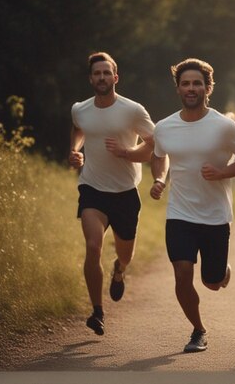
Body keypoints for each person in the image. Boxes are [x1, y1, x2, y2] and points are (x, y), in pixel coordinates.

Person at [150, 58, 235, 353]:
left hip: (215, 216)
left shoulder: (223, 125)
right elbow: (159, 155)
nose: (191, 88)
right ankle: (198, 330)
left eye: (197, 83)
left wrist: (223, 173)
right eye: (186, 83)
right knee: (182, 274)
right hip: (180, 214)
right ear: (178, 88)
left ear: (208, 87)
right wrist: (160, 179)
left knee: (211, 281)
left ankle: (221, 272)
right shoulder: (164, 127)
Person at [69, 52, 155, 336]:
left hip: (125, 193)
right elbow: (79, 129)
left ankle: (119, 270)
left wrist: (126, 153)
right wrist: (75, 150)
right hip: (92, 188)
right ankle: (97, 312)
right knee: (93, 246)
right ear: (91, 78)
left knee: (125, 254)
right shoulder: (80, 109)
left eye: (107, 73)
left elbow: (154, 145)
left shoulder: (132, 111)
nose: (102, 78)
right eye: (97, 73)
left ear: (115, 78)